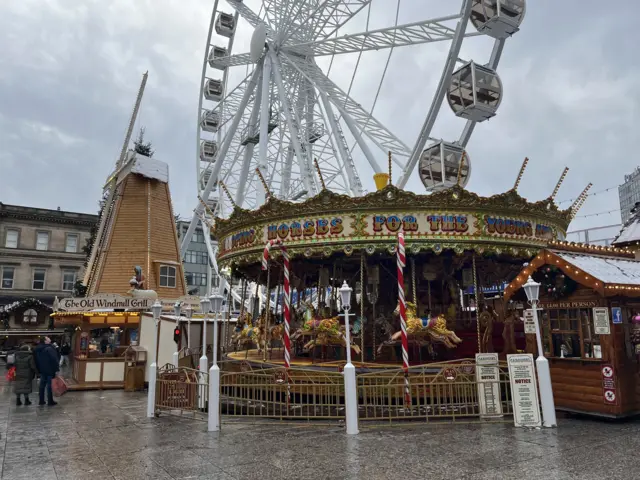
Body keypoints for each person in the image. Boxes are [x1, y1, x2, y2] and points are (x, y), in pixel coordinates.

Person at [33, 337, 59, 406]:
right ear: (45, 341)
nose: (49, 339)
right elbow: (54, 359)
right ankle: (50, 401)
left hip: (42, 369)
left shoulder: (37, 349)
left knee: (42, 385)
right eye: (48, 338)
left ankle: (41, 401)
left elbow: (35, 360)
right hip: (50, 369)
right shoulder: (50, 348)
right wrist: (56, 369)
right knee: (49, 386)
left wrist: (38, 370)